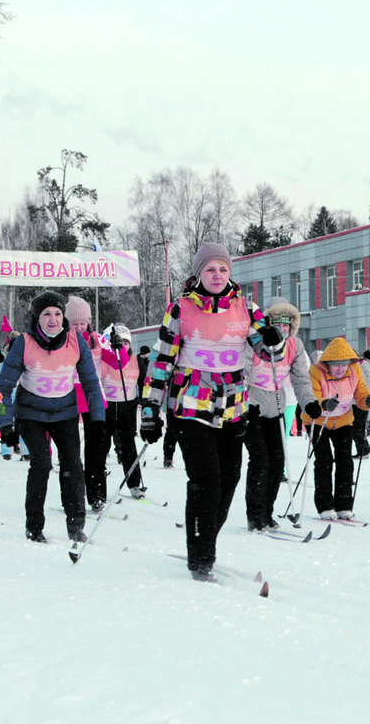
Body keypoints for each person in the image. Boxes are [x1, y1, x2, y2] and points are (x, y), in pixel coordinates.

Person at [139, 243, 280, 579]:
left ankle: (204, 541)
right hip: (191, 404)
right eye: (210, 270)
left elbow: (265, 348)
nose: (217, 276)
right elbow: (162, 361)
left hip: (233, 406)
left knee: (230, 478)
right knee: (206, 481)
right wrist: (149, 409)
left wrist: (272, 339)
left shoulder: (247, 307)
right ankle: (201, 559)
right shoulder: (180, 309)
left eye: (223, 269)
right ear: (199, 273)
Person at [0, 290, 105, 542]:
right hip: (30, 414)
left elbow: (91, 383)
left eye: (57, 313)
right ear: (37, 317)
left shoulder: (76, 341)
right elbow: (2, 389)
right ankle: (34, 525)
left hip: (64, 413)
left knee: (73, 467)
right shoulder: (24, 342)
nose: (53, 319)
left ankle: (76, 526)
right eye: (47, 314)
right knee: (42, 464)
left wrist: (98, 419)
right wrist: (5, 424)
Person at [244, 297, 313, 530]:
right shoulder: (254, 342)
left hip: (276, 408)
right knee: (260, 460)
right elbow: (240, 372)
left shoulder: (295, 345)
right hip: (252, 408)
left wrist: (309, 403)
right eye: (277, 323)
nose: (282, 329)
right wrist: (244, 403)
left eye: (286, 324)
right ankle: (254, 514)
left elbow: (301, 379)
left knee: (277, 461)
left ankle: (267, 512)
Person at [305, 337, 370, 519]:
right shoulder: (315, 371)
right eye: (336, 365)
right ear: (328, 364)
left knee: (345, 461)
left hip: (343, 420)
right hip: (318, 421)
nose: (341, 369)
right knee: (324, 461)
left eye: (344, 365)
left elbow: (361, 392)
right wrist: (324, 404)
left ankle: (344, 504)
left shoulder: (354, 370)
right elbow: (312, 395)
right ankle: (325, 506)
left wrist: (367, 400)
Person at [65, 295, 111, 510]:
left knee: (96, 447)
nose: (79, 327)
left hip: (92, 393)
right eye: (75, 323)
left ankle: (97, 495)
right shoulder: (63, 338)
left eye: (83, 323)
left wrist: (118, 347)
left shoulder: (96, 338)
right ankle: (73, 495)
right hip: (69, 392)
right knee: (70, 448)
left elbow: (116, 359)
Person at [99, 323, 146, 497]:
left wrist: (146, 401)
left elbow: (143, 381)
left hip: (128, 406)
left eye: (126, 342)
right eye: (120, 342)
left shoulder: (136, 359)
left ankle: (134, 484)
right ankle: (97, 484)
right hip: (107, 406)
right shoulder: (106, 357)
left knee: (128, 446)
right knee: (102, 445)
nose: (123, 345)